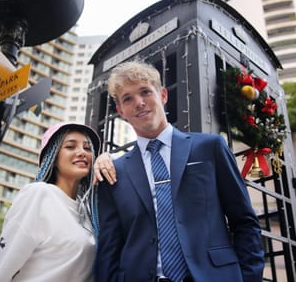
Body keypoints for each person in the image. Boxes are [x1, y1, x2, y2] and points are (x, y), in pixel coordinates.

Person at [94, 60, 265, 282]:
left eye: (145, 92)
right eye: (128, 98)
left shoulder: (210, 147)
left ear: (163, 95)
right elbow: (109, 246)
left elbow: (244, 221)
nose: (139, 102)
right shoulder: (114, 171)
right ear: (121, 111)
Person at [0, 122, 105, 282]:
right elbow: (2, 263)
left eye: (87, 148)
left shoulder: (89, 213)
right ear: (53, 158)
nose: (82, 153)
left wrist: (108, 157)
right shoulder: (38, 194)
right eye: (70, 147)